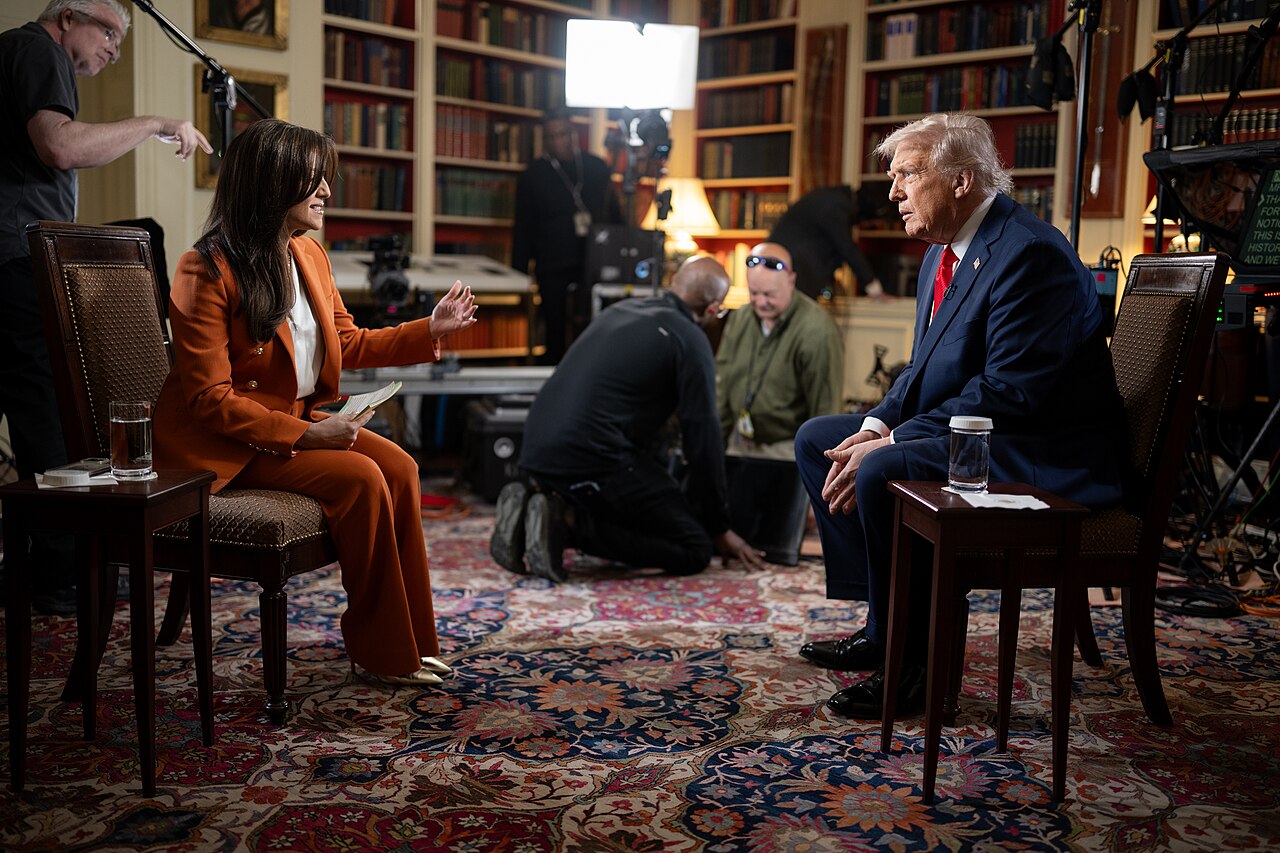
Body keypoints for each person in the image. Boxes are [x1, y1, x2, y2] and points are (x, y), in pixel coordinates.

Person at [793, 113, 1126, 719]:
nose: (892, 192)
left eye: (908, 175)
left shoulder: (1029, 254)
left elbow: (1008, 393)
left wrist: (891, 441)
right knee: (823, 440)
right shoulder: (941, 252)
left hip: (1042, 449)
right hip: (987, 429)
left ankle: (914, 668)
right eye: (892, 177)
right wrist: (875, 425)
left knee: (879, 468)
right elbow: (919, 374)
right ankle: (881, 622)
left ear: (961, 180)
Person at [153, 119, 477, 687]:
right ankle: (381, 652)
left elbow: (347, 343)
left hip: (290, 421)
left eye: (327, 176)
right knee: (360, 478)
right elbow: (209, 400)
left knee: (401, 467)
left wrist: (431, 327)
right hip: (221, 444)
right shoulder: (203, 269)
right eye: (314, 177)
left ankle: (414, 641)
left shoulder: (309, 254)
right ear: (270, 183)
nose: (327, 188)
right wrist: (309, 435)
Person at [0, 0, 212, 615]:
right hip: (15, 261)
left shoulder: (16, 53)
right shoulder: (40, 50)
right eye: (110, 33)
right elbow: (60, 146)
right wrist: (152, 123)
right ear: (67, 17)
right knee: (46, 413)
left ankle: (38, 566)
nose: (115, 49)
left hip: (7, 257)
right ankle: (64, 573)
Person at [490, 255, 767, 582]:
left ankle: (538, 502)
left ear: (674, 283)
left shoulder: (619, 311)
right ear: (711, 310)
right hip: (593, 459)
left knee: (645, 483)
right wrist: (719, 526)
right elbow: (703, 439)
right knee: (694, 546)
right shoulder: (690, 340)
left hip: (536, 449)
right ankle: (566, 523)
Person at [715, 241, 845, 565]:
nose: (760, 303)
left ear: (791, 280)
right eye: (754, 294)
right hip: (741, 444)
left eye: (769, 295)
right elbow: (723, 384)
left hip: (787, 448)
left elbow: (824, 412)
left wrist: (820, 490)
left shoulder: (816, 330)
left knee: (777, 546)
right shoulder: (741, 318)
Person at [511, 107, 623, 364]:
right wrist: (518, 274)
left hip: (594, 262)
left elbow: (615, 217)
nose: (558, 141)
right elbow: (523, 227)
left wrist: (619, 258)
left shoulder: (596, 168)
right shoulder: (533, 176)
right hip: (553, 264)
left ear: (574, 134)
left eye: (563, 134)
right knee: (555, 332)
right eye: (551, 136)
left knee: (598, 328)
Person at [768, 184, 885, 300]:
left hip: (783, 267)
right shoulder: (836, 206)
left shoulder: (833, 198)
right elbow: (848, 249)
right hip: (789, 270)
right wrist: (874, 289)